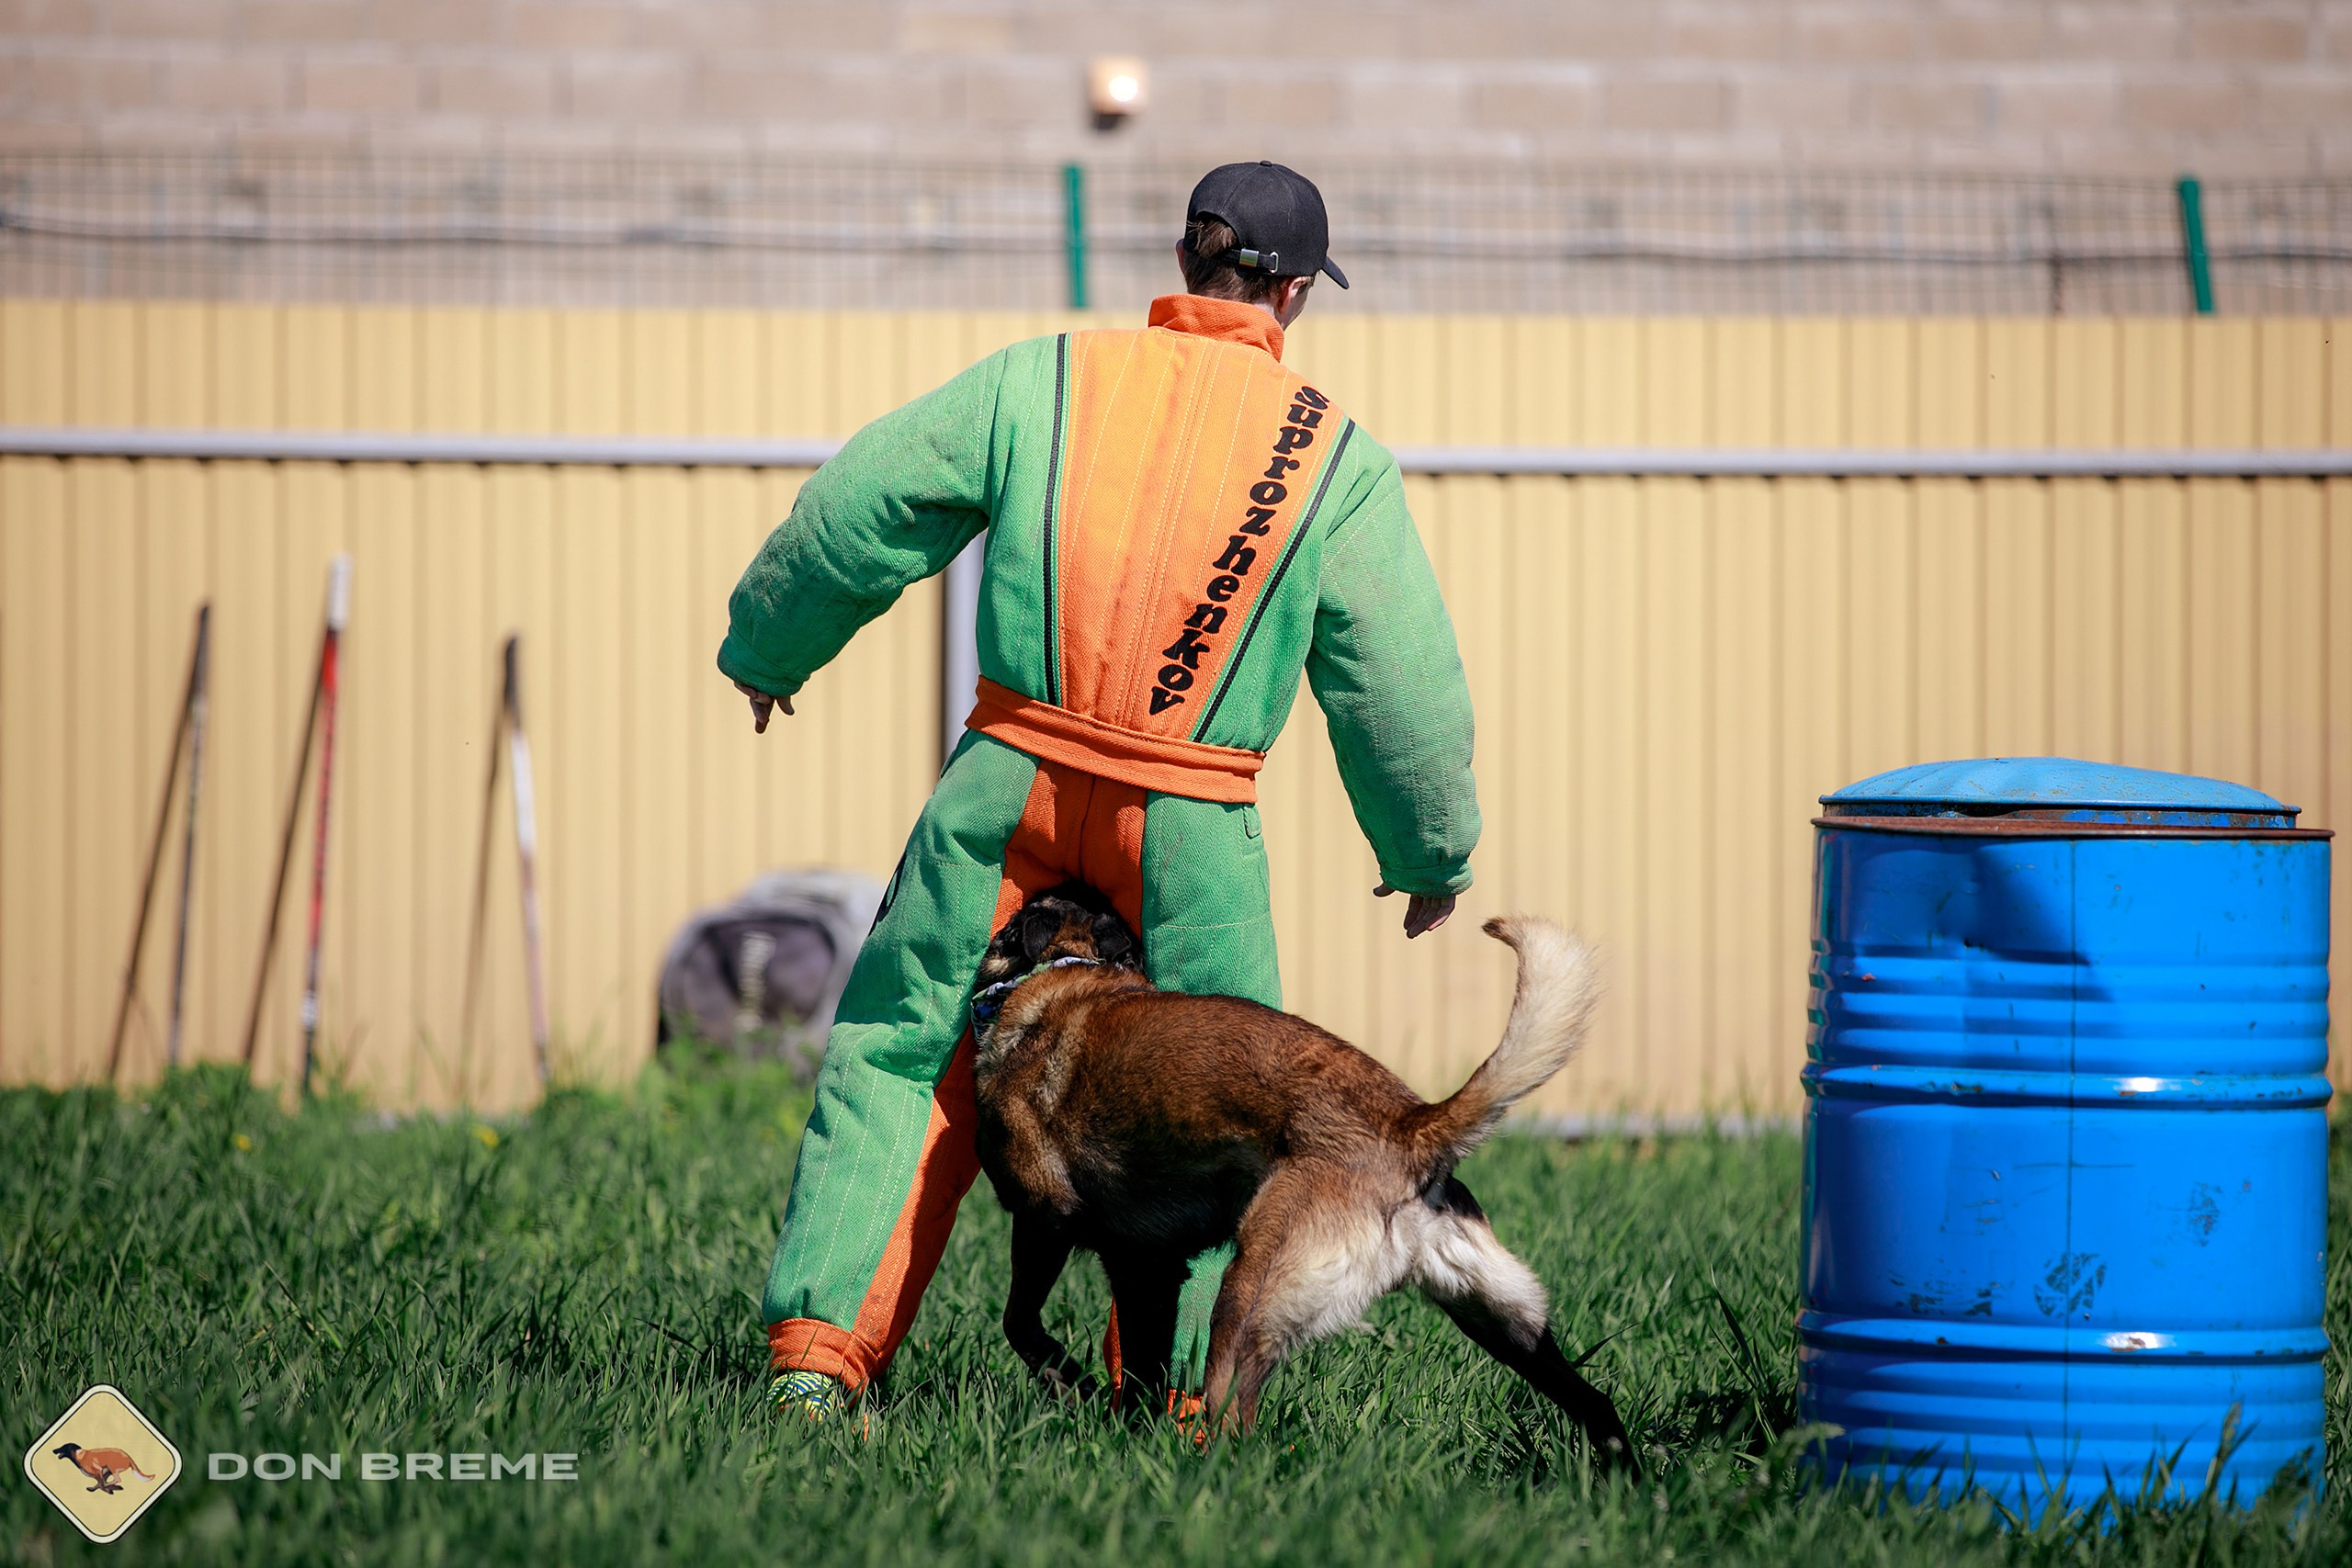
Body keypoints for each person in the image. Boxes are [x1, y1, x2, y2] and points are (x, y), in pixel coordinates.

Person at [720, 161, 1481, 1421]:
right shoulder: (1334, 462)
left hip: (1007, 780)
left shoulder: (1045, 378)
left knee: (903, 1057)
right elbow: (1403, 687)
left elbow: (864, 501)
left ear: (1185, 263)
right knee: (1211, 1103)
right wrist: (1430, 850)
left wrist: (769, 646)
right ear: (1293, 292)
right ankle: (1179, 1398)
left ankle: (817, 1364)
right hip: (1190, 817)